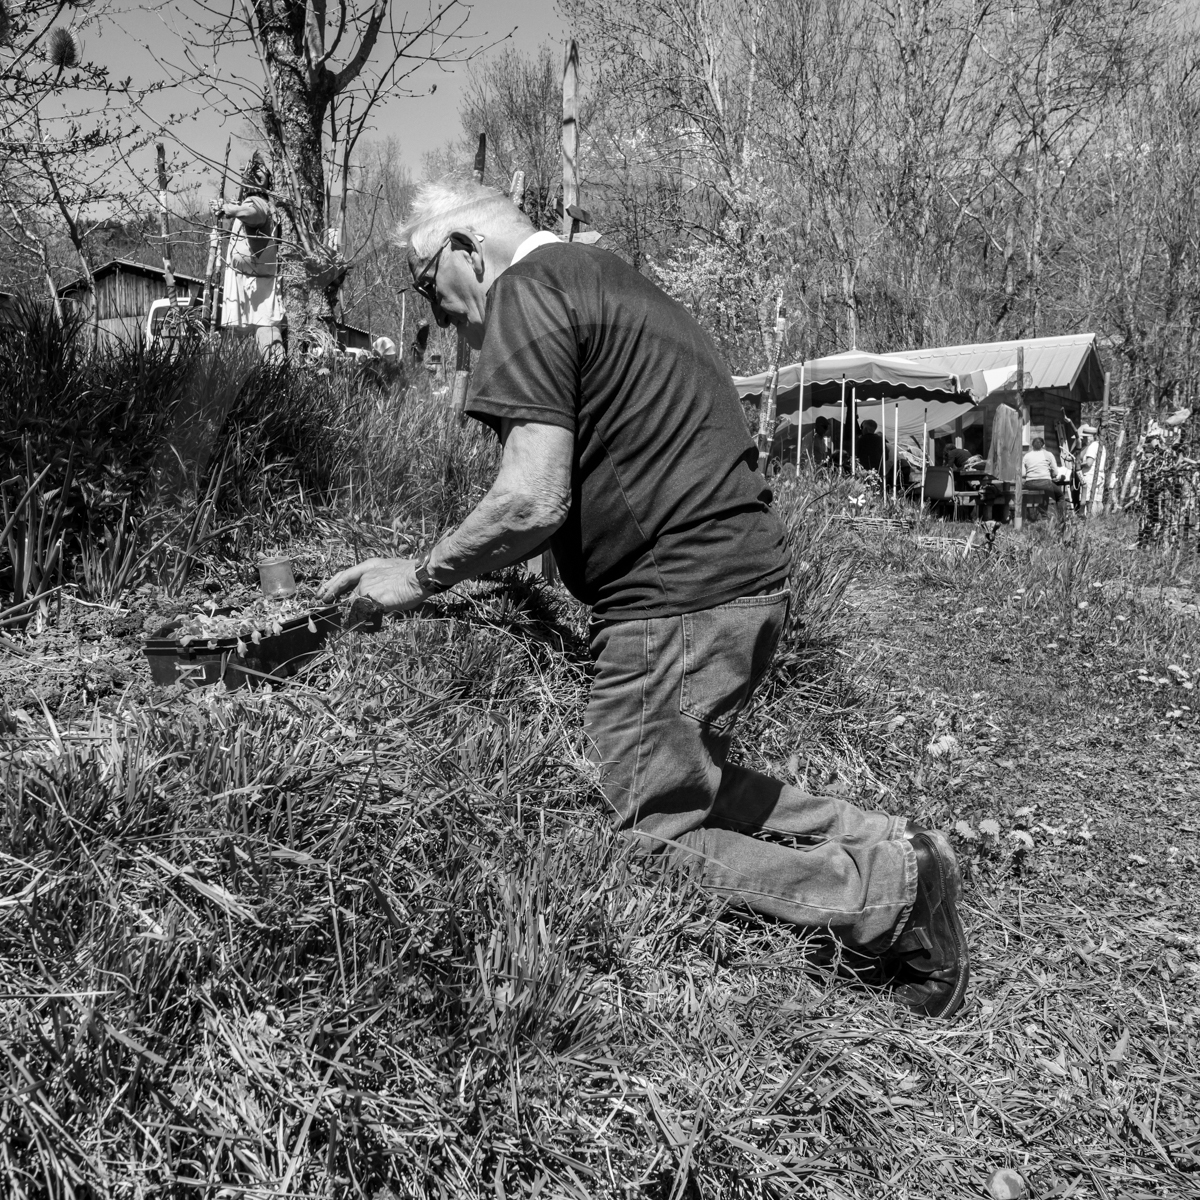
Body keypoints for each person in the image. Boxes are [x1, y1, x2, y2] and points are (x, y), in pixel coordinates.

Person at [319, 181, 969, 1020]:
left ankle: (890, 900)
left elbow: (528, 500)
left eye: (422, 285)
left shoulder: (526, 288)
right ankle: (885, 841)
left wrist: (415, 576)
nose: (435, 316)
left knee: (635, 826)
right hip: (738, 576)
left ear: (462, 250)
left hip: (677, 598)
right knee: (678, 776)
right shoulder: (605, 276)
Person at [213, 152, 285, 361]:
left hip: (258, 287)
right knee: (243, 340)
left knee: (267, 332)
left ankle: (278, 381)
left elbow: (255, 214)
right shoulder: (250, 203)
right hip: (249, 283)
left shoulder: (258, 202)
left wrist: (229, 209)